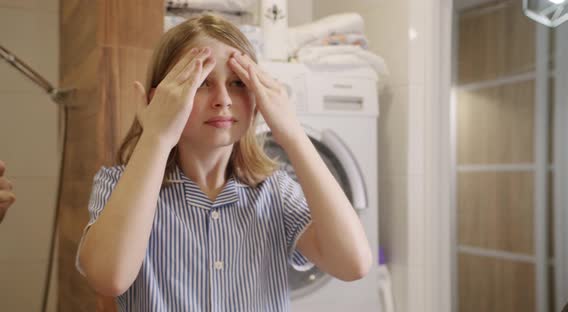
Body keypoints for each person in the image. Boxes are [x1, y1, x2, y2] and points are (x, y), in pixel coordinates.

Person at [76, 14, 372, 311]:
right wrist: (156, 136)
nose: (223, 99)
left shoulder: (276, 192)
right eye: (202, 82)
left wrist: (294, 135)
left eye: (237, 83)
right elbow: (109, 278)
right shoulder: (118, 185)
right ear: (161, 97)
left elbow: (353, 264)